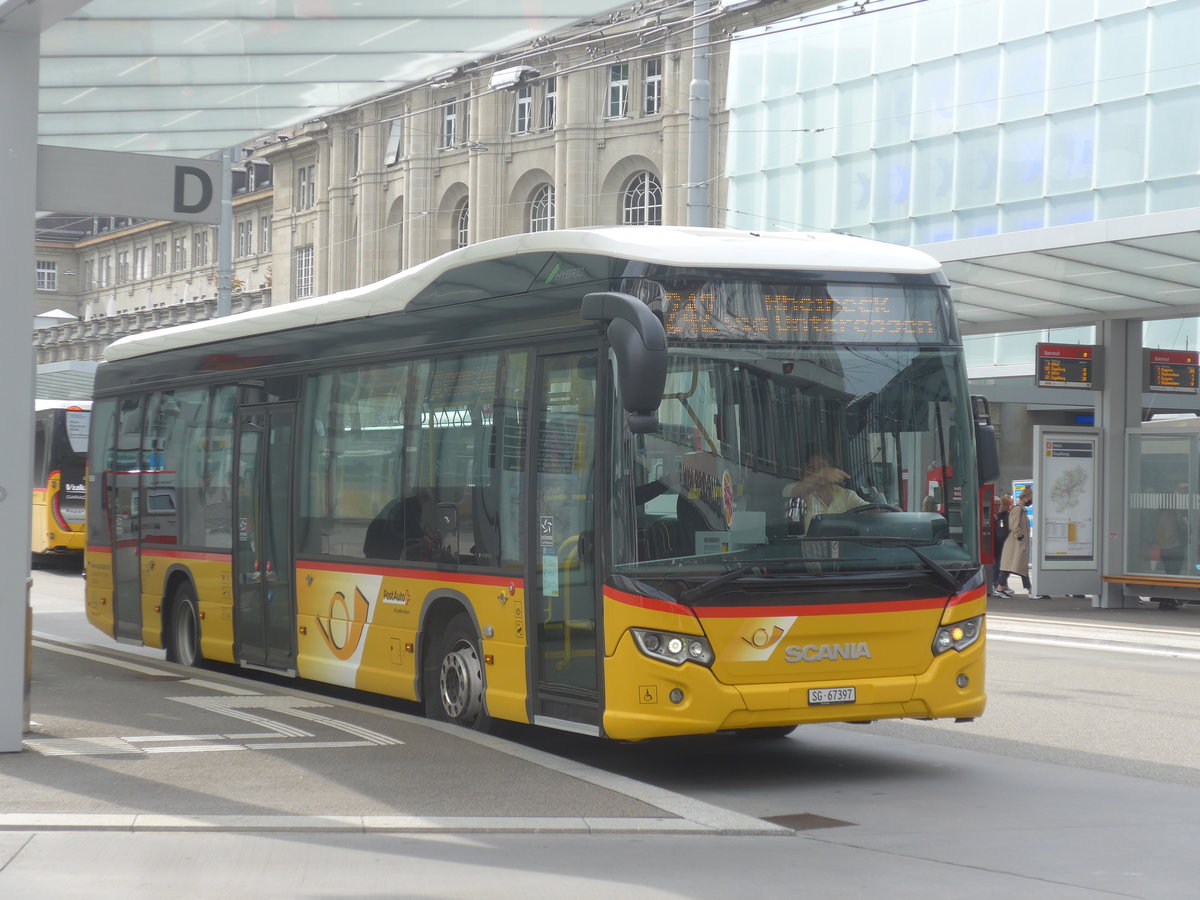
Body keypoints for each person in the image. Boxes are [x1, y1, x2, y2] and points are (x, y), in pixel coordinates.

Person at [782, 453, 867, 532]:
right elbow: (797, 493)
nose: (817, 471)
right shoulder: (792, 488)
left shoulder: (847, 495)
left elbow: (872, 512)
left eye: (822, 466)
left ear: (832, 470)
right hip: (803, 547)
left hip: (844, 547)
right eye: (811, 467)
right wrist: (822, 473)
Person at [997, 487, 1032, 596]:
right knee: (1019, 567)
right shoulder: (1019, 509)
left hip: (1016, 543)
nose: (1031, 501)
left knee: (1014, 567)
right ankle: (1031, 590)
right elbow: (1014, 525)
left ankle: (1000, 589)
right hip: (1017, 544)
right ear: (1026, 497)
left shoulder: (1021, 509)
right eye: (1031, 498)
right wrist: (1020, 537)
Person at [991, 494, 1013, 596]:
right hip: (991, 545)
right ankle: (996, 585)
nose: (996, 507)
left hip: (999, 546)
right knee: (995, 566)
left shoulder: (999, 517)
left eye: (998, 505)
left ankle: (998, 584)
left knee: (999, 566)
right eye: (995, 505)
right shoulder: (990, 516)